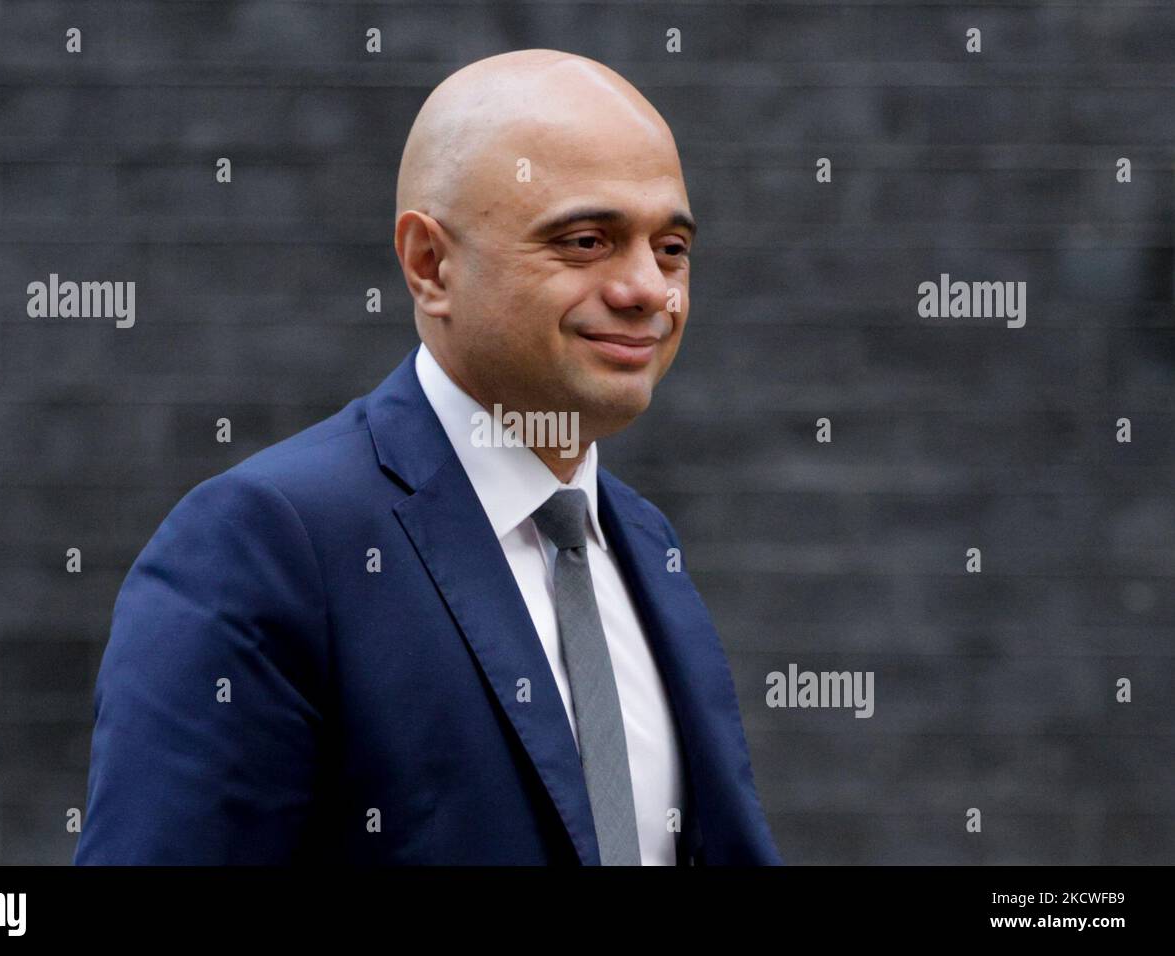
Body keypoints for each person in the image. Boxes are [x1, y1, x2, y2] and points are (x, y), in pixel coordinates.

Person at [74, 48, 781, 866]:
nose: (648, 290)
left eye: (671, 249)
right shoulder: (266, 545)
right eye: (588, 241)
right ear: (429, 264)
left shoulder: (641, 543)